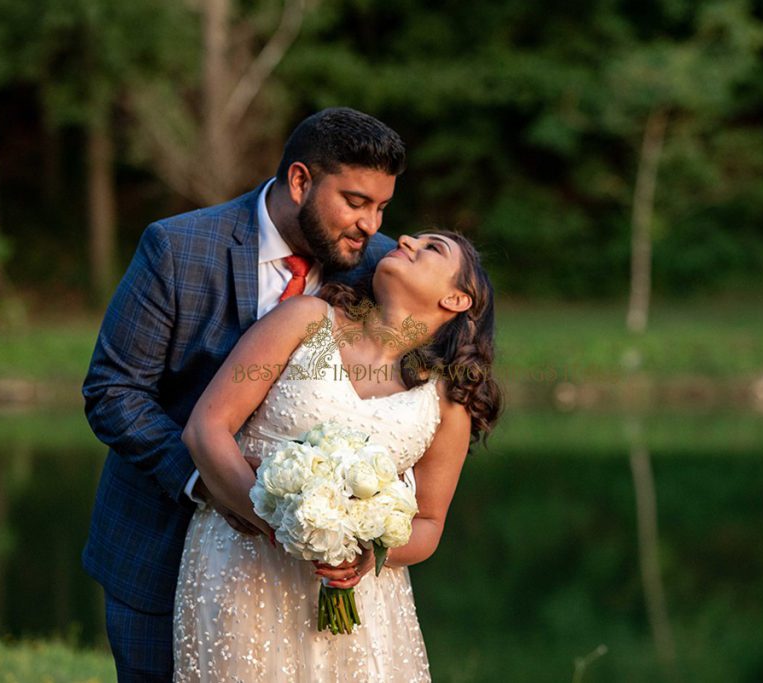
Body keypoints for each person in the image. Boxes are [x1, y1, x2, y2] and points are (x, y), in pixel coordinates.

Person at [82, 107, 407, 682]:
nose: (369, 224)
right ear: (301, 180)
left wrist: (366, 513)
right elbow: (113, 390)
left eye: (381, 207)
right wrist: (208, 478)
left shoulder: (377, 268)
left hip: (299, 586)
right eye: (356, 202)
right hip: (161, 542)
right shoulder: (177, 249)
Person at [173, 230, 502, 681]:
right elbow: (205, 429)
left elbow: (428, 524)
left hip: (360, 599)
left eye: (432, 248)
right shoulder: (306, 320)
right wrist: (286, 525)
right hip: (243, 569)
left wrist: (369, 556)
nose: (405, 239)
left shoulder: (445, 401)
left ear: (458, 300)